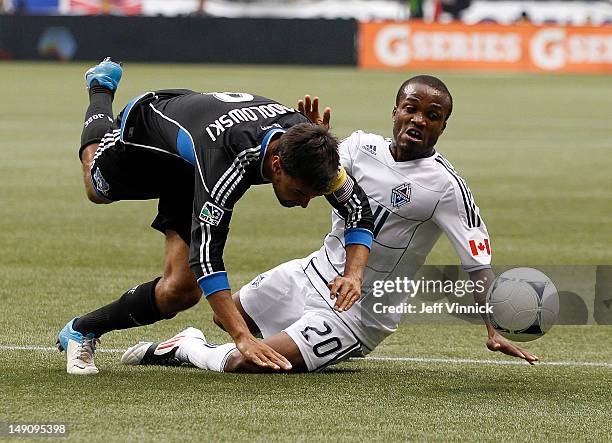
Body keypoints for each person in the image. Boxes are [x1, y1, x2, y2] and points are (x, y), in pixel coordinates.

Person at [122, 75, 538, 373]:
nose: (419, 120)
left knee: (246, 362)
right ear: (395, 111)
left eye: (433, 115)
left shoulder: (447, 188)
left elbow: (478, 263)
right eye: (411, 109)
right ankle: (211, 338)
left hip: (358, 312)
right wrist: (310, 134)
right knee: (228, 320)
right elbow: (314, 165)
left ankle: (186, 348)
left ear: (443, 125)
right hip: (310, 273)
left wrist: (492, 325)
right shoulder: (358, 147)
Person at [57, 58, 374, 375]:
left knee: (181, 290)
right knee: (95, 187)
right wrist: (243, 337)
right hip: (147, 133)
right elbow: (206, 257)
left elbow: (358, 209)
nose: (304, 203)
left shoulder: (307, 146)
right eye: (301, 192)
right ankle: (100, 86)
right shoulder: (227, 163)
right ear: (276, 166)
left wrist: (353, 275)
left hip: (194, 155)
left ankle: (81, 328)